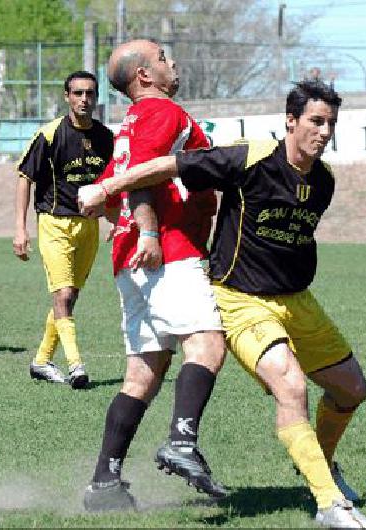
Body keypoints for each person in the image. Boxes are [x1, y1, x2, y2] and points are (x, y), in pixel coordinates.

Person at [78, 80, 366, 529]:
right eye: (316, 121)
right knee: (291, 388)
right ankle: (329, 502)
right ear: (291, 122)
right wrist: (109, 190)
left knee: (352, 389)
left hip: (299, 302)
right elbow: (168, 164)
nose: (324, 131)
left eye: (331, 123)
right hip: (241, 300)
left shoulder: (324, 181)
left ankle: (318, 465)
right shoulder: (250, 157)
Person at [81, 40, 229, 513]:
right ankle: (182, 443)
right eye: (164, 58)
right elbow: (140, 176)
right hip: (163, 251)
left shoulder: (128, 127)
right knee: (207, 342)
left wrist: (132, 227)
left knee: (142, 373)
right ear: (145, 75)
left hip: (131, 259)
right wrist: (149, 230)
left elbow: (109, 197)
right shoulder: (163, 112)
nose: (173, 64)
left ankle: (105, 483)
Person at [13, 71, 114, 390]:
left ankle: (41, 361)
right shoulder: (50, 134)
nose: (84, 99)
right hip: (54, 223)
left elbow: (111, 183)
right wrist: (20, 228)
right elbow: (25, 177)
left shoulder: (106, 137)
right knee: (63, 294)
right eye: (78, 93)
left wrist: (112, 217)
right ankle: (76, 365)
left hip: (89, 226)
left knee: (69, 299)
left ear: (97, 98)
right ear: (66, 96)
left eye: (90, 94)